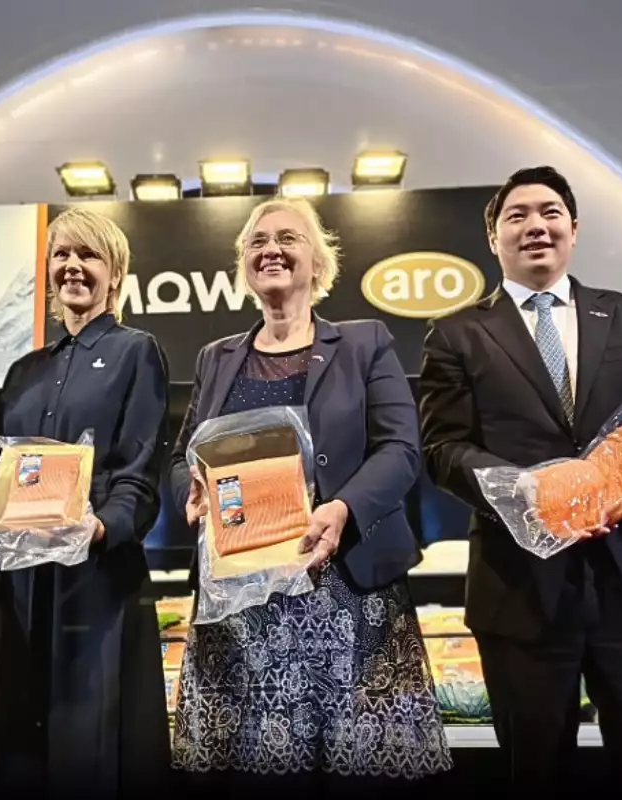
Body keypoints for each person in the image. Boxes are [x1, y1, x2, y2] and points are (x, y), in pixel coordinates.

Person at [418, 165, 622, 797]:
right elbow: (441, 450)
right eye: (516, 216)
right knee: (536, 775)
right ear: (493, 237)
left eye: (550, 212)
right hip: (521, 589)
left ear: (573, 229)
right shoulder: (456, 334)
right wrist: (527, 492)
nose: (535, 226)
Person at [169, 197, 453, 798]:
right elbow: (180, 459)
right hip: (243, 607)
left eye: (288, 238)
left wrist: (343, 509)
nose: (271, 250)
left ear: (318, 262)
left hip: (348, 595)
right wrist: (190, 489)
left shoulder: (364, 342)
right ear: (244, 264)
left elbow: (401, 449)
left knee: (361, 775)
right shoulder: (216, 358)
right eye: (258, 241)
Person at [0, 207, 172, 799]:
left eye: (88, 255)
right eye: (61, 254)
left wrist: (103, 527)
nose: (72, 266)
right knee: (9, 745)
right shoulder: (22, 371)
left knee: (87, 749)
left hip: (95, 578)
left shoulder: (136, 352)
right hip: (16, 582)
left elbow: (140, 469)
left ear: (115, 274)